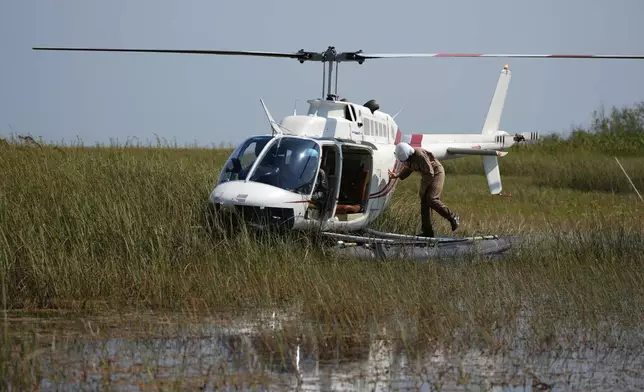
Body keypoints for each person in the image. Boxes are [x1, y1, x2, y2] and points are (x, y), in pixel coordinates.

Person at [388, 142, 460, 237]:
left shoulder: (419, 155)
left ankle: (453, 217)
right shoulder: (410, 157)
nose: (406, 162)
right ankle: (427, 232)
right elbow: (409, 168)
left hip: (436, 172)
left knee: (431, 199)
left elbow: (430, 173)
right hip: (428, 175)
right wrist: (397, 175)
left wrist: (423, 189)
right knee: (424, 203)